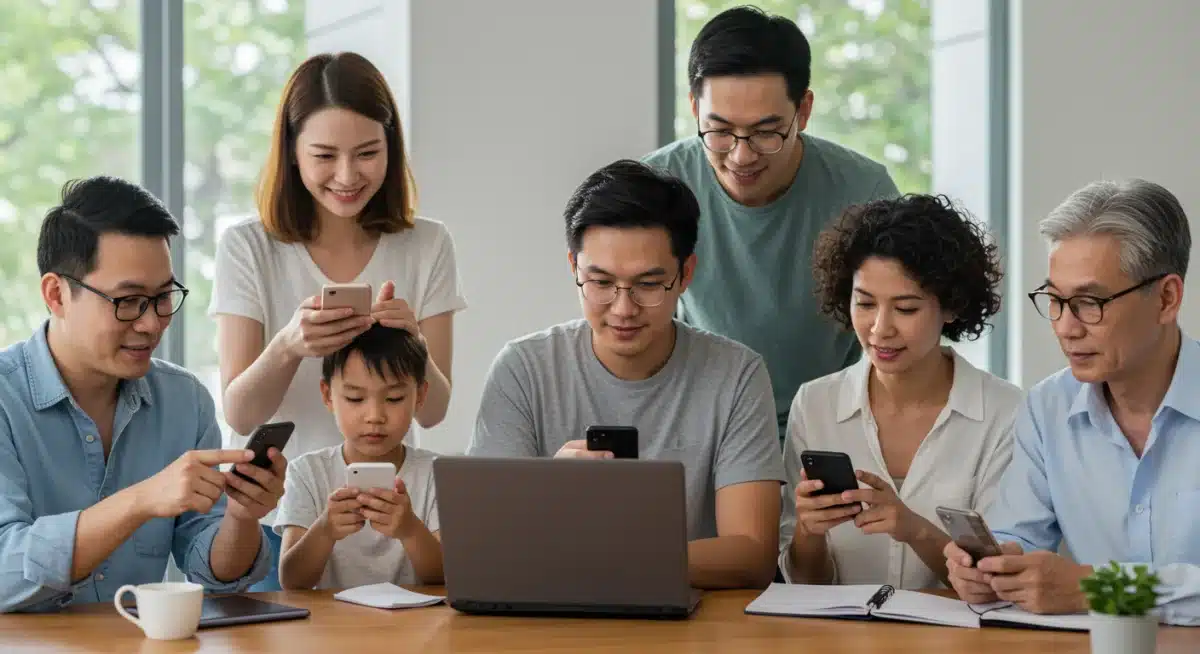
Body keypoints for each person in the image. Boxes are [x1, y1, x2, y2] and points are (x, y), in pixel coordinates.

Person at [210, 51, 466, 591]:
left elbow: (437, 410)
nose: (348, 176)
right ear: (293, 153)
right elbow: (239, 411)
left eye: (368, 153)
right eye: (324, 155)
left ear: (390, 151)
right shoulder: (249, 246)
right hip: (289, 510)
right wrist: (288, 346)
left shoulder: (427, 244)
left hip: (394, 504)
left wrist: (414, 338)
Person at [468, 160, 784, 590]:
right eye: (600, 282)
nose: (623, 308)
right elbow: (487, 545)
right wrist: (546, 495)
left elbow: (752, 554)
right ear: (573, 268)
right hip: (552, 612)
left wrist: (599, 557)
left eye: (648, 285)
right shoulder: (523, 368)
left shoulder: (736, 374)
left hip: (692, 621)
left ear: (685, 274)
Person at [0, 177, 282, 613]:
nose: (152, 324)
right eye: (129, 300)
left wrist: (242, 517)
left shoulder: (185, 400)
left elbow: (216, 577)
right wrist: (140, 500)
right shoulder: (5, 398)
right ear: (57, 294)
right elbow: (4, 572)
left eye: (164, 296)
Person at [945, 179, 1200, 625]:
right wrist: (993, 569)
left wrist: (1097, 588)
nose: (1065, 327)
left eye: (1088, 302)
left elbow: (1084, 587)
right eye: (1056, 301)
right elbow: (1018, 536)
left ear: (1167, 298)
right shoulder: (1047, 408)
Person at [642, 5, 900, 445]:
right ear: (693, 108)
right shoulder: (656, 189)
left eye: (766, 132)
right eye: (719, 131)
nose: (741, 156)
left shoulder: (866, 190)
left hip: (836, 427)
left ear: (804, 110)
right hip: (703, 426)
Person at [778, 194, 1020, 589]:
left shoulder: (1004, 412)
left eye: (906, 309)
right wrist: (809, 530)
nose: (880, 329)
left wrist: (914, 529)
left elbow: (993, 583)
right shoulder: (815, 404)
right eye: (865, 304)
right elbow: (804, 583)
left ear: (952, 306)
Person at [276, 325, 441, 589]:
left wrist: (410, 530)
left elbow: (446, 576)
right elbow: (292, 582)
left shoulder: (436, 473)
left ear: (420, 395)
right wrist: (325, 530)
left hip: (416, 625)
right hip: (331, 626)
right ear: (328, 395)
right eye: (355, 398)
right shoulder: (307, 472)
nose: (374, 415)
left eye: (394, 398)